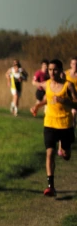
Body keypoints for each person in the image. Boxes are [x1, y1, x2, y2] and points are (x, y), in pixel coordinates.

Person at [30, 59, 76, 197]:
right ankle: (51, 187)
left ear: (61, 70)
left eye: (55, 69)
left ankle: (63, 150)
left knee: (66, 155)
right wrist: (37, 106)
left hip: (65, 124)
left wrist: (64, 101)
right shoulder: (47, 84)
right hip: (49, 123)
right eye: (50, 69)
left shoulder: (68, 86)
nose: (52, 72)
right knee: (49, 153)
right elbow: (48, 99)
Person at [65, 57, 77, 126]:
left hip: (76, 97)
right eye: (73, 64)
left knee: (74, 112)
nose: (75, 65)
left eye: (76, 64)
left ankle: (73, 124)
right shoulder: (66, 74)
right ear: (70, 64)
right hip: (68, 96)